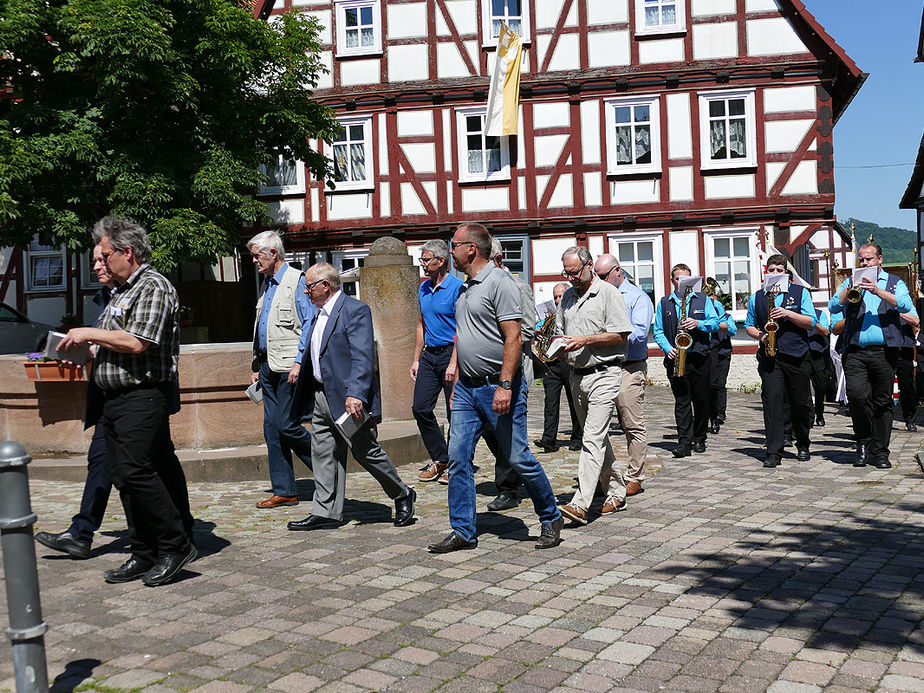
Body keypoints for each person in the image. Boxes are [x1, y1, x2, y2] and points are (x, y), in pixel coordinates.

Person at [59, 217, 194, 587]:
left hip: (143, 394)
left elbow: (138, 342)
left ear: (127, 252)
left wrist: (89, 332)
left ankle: (175, 544)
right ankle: (144, 552)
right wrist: (85, 351)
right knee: (122, 475)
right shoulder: (121, 291)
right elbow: (112, 342)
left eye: (104, 257)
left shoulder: (153, 286)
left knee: (136, 470)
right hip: (115, 397)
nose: (99, 265)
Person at [427, 222, 562, 553]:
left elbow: (514, 336)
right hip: (466, 390)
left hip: (497, 387)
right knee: (458, 458)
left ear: (471, 249)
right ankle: (462, 530)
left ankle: (550, 515)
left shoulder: (500, 283)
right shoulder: (465, 286)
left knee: (518, 456)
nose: (451, 250)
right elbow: (466, 333)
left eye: (454, 245)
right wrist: (456, 370)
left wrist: (504, 385)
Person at [287, 263, 416, 530]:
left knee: (365, 451)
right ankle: (326, 511)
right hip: (321, 394)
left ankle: (402, 493)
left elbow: (363, 356)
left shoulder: (355, 310)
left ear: (326, 285)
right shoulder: (317, 313)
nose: (306, 291)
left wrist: (356, 393)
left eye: (310, 286)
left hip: (348, 398)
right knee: (323, 452)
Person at [554, 247, 631, 525]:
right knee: (596, 436)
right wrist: (555, 346)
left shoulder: (608, 293)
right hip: (577, 375)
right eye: (567, 273)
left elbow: (621, 334)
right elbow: (562, 334)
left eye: (575, 272)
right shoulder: (568, 297)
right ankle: (617, 490)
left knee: (591, 438)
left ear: (588, 266)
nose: (571, 277)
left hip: (605, 373)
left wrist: (585, 340)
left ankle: (580, 503)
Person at [829, 243, 915, 469]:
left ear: (879, 260)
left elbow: (906, 304)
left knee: (882, 401)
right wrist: (850, 289)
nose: (865, 263)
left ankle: (881, 450)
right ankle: (863, 442)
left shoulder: (895, 283)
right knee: (857, 397)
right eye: (862, 260)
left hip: (884, 351)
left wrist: (879, 291)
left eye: (869, 259)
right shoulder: (850, 282)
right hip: (854, 351)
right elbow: (833, 307)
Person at [247, 231, 314, 509]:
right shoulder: (267, 284)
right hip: (268, 367)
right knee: (271, 431)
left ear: (273, 253)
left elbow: (308, 323)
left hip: (289, 367)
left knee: (286, 425)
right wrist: (256, 365)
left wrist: (300, 360)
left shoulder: (296, 281)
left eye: (257, 255)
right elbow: (263, 327)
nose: (254, 261)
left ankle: (327, 465)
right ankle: (285, 490)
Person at [744, 255, 817, 468]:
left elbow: (811, 322)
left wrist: (787, 314)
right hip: (770, 357)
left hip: (796, 356)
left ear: (786, 273)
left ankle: (803, 442)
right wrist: (759, 335)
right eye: (771, 270)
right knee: (772, 403)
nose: (775, 274)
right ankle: (774, 450)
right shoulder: (757, 297)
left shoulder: (800, 293)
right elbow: (749, 324)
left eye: (779, 270)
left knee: (800, 403)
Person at [484, 237, 539, 510]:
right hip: (483, 375)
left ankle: (508, 489)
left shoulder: (518, 287)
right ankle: (513, 475)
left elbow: (527, 328)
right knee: (488, 430)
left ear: (496, 260)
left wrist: (497, 339)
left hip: (512, 372)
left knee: (506, 430)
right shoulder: (479, 287)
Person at [594, 254, 653, 497]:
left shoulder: (637, 297)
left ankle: (634, 476)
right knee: (597, 426)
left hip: (630, 366)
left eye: (603, 276)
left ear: (618, 271)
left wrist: (607, 333)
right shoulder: (600, 295)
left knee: (632, 424)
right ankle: (605, 477)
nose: (599, 280)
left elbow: (639, 332)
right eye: (597, 276)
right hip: (604, 367)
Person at [652, 264, 720, 457]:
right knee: (682, 400)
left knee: (701, 400)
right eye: (678, 279)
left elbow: (715, 323)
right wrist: (668, 349)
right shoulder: (665, 302)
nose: (682, 283)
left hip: (699, 356)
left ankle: (699, 437)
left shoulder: (703, 299)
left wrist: (698, 323)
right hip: (676, 357)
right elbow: (658, 331)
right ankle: (684, 441)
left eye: (686, 280)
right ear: (672, 281)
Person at [412, 240, 464, 483]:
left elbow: (463, 328)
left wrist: (454, 362)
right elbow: (421, 324)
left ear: (441, 261)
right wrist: (415, 359)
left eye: (426, 259)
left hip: (451, 353)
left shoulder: (457, 288)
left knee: (456, 411)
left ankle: (457, 463)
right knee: (420, 408)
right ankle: (441, 457)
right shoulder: (423, 288)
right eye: (421, 259)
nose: (422, 264)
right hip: (429, 356)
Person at [532, 282, 583, 454]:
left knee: (573, 401)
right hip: (551, 363)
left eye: (561, 296)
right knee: (550, 402)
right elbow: (539, 332)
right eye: (555, 297)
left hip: (569, 362)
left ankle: (577, 437)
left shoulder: (574, 313)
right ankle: (548, 439)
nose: (557, 300)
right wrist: (537, 333)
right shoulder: (548, 319)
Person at [704, 282, 737, 435]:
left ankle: (720, 413)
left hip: (723, 353)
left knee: (720, 384)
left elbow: (733, 330)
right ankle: (710, 413)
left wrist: (717, 321)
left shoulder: (726, 316)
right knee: (710, 385)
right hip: (710, 352)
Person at [896, 307, 920, 431]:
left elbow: (915, 321)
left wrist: (896, 311)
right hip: (885, 347)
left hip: (904, 348)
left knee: (907, 386)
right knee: (882, 387)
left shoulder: (905, 304)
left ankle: (910, 419)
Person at [808, 308, 831, 427]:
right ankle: (809, 416)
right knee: (803, 386)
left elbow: (825, 331)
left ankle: (820, 413)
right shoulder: (795, 313)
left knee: (820, 386)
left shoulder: (820, 314)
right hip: (802, 353)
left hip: (818, 354)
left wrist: (811, 321)